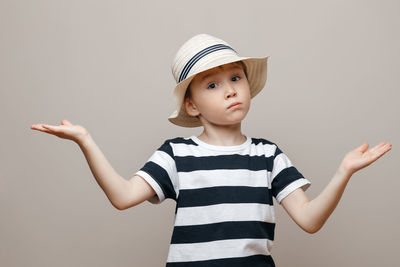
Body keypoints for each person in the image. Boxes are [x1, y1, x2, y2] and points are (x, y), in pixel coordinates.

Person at [30, 33, 392, 267]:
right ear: (192, 106)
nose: (231, 90)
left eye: (236, 78)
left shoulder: (268, 155)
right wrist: (86, 141)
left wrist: (344, 171)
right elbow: (123, 197)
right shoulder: (176, 154)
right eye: (213, 84)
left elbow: (310, 221)